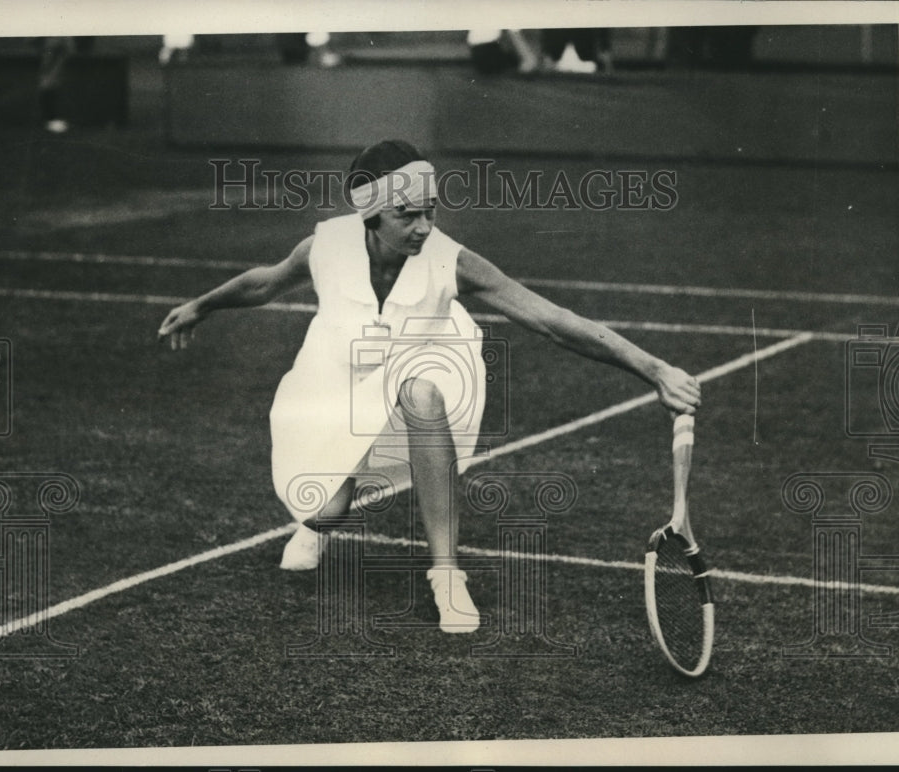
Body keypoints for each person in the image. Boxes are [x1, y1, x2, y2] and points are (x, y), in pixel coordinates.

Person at [157, 139, 701, 634]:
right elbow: (265, 283)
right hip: (338, 374)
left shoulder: (451, 260)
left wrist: (653, 368)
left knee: (422, 393)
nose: (423, 227)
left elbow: (553, 320)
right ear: (369, 213)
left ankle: (447, 575)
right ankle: (317, 528)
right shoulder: (324, 246)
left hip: (434, 361)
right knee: (329, 509)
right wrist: (201, 305)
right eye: (407, 214)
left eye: (431, 211)